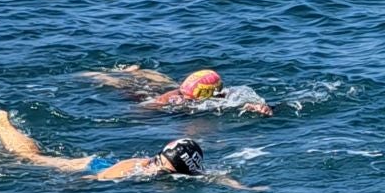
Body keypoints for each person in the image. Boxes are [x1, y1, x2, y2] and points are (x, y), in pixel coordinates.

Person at [0, 109, 246, 186]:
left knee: (38, 155)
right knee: (31, 159)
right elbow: (101, 177)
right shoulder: (137, 167)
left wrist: (243, 188)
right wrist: (73, 186)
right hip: (91, 166)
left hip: (100, 164)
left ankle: (3, 125)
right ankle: (0, 124)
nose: (159, 170)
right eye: (160, 165)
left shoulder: (180, 171)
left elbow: (215, 176)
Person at [84, 65, 273, 115]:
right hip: (155, 97)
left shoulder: (221, 95)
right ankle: (97, 75)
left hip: (172, 88)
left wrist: (258, 107)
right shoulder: (171, 99)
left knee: (164, 82)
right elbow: (142, 109)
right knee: (131, 88)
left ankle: (137, 71)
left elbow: (240, 101)